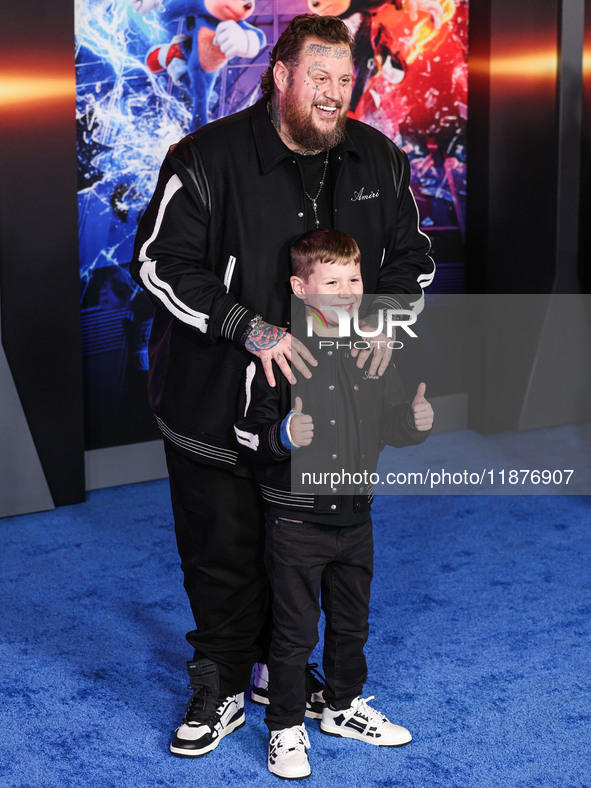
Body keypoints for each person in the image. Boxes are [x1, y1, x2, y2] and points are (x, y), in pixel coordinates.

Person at [130, 12, 435, 759]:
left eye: (344, 78)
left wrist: (383, 328)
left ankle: (302, 683)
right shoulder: (203, 157)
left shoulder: (378, 159)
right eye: (318, 78)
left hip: (328, 420)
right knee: (225, 553)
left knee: (312, 553)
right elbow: (160, 265)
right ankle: (223, 681)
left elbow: (408, 262)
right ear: (280, 77)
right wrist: (249, 326)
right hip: (213, 402)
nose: (334, 93)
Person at [235, 228, 434, 779]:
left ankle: (343, 707)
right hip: (297, 522)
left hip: (357, 516)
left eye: (355, 278)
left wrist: (413, 425)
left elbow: (390, 424)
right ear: (300, 287)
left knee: (352, 623)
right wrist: (285, 436)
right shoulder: (277, 353)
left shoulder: (374, 346)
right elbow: (246, 437)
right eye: (333, 281)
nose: (348, 292)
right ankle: (285, 729)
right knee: (296, 631)